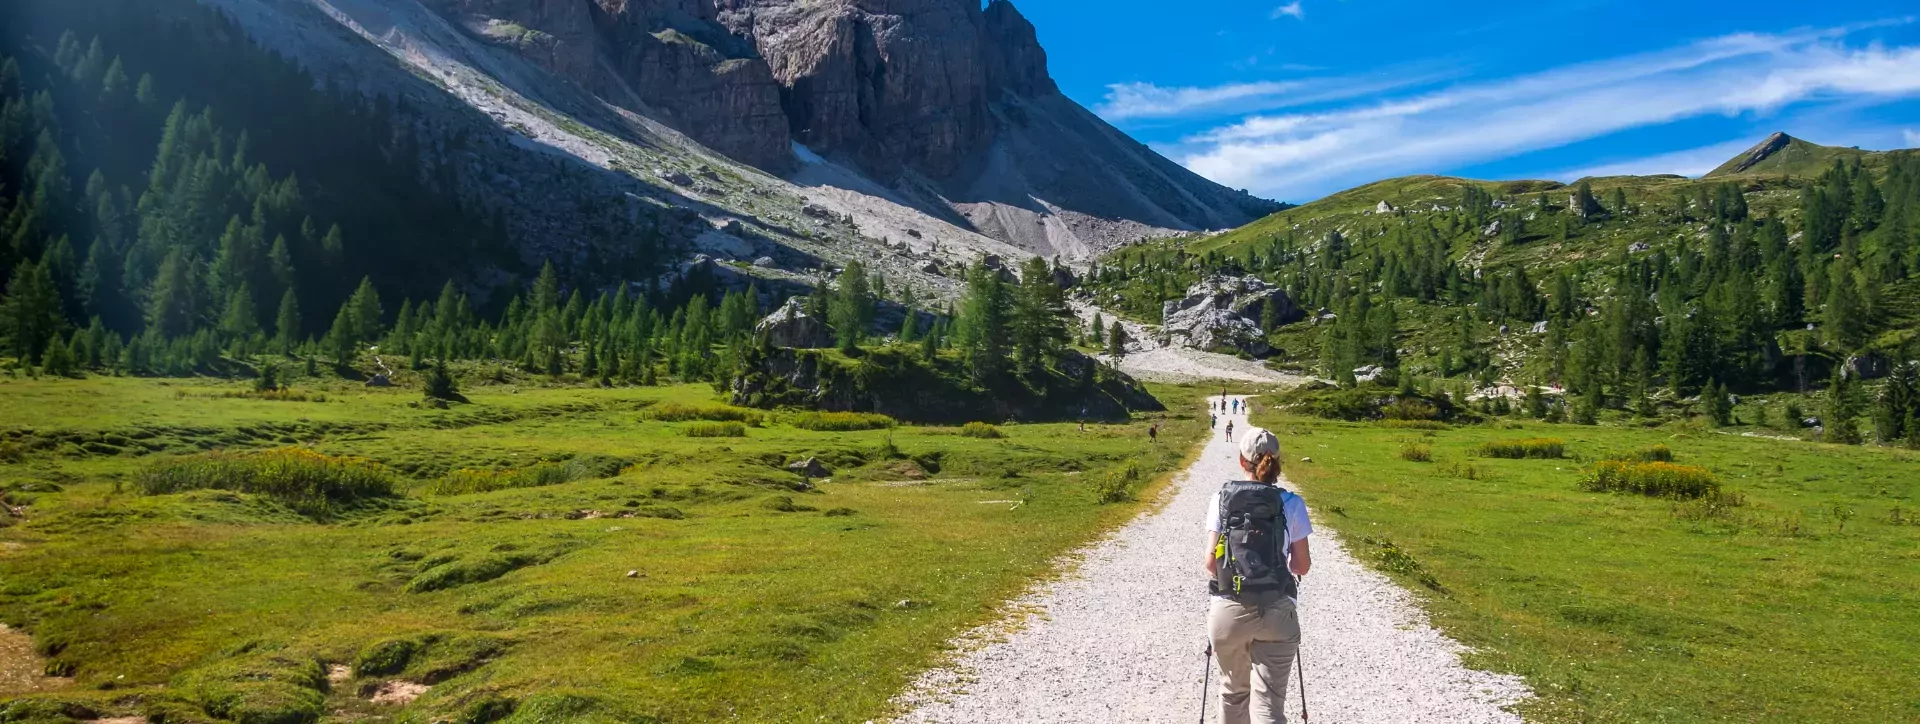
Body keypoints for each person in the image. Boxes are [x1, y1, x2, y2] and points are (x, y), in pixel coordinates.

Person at [1204, 428, 1312, 724]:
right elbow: (1301, 566)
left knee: (1233, 693)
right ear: (1277, 462)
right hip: (1277, 610)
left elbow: (1211, 563)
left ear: (1242, 461)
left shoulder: (1222, 499)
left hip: (1229, 610)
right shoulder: (1292, 503)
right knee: (1269, 706)